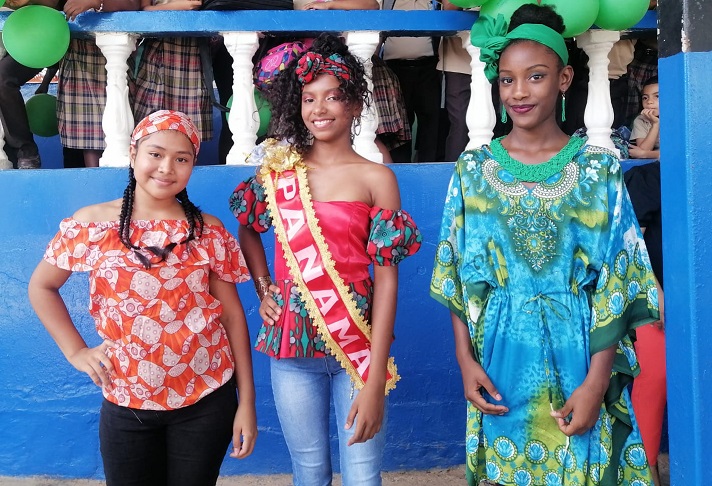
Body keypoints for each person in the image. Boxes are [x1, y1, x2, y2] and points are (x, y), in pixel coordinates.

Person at [430, 5, 659, 485]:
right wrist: (465, 361)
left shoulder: (598, 172)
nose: (518, 92)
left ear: (564, 78)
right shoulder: (472, 172)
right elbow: (454, 273)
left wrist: (597, 383)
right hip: (500, 353)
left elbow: (619, 282)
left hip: (580, 349)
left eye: (535, 76)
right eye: (507, 80)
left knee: (582, 465)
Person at [229, 34, 422, 485]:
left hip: (359, 348)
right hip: (291, 347)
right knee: (310, 472)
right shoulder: (279, 170)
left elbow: (387, 279)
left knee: (363, 474)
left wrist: (375, 379)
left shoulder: (377, 177)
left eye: (333, 97)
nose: (319, 108)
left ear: (355, 104)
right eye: (309, 98)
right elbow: (247, 228)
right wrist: (264, 289)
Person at [28, 110, 257, 486]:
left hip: (207, 401)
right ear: (133, 154)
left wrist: (246, 401)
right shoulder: (93, 225)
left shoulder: (207, 231)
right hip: (125, 402)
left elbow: (232, 318)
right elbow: (41, 287)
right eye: (155, 153)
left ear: (192, 165)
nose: (167, 167)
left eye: (182, 159)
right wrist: (76, 351)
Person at [59, 0, 141, 167]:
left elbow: (133, 4)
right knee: (80, 140)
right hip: (75, 54)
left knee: (112, 128)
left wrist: (96, 2)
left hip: (108, 53)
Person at [625, 161, 666, 486]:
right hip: (659, 305)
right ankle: (646, 470)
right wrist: (653, 290)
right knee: (653, 380)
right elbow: (628, 238)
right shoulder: (652, 178)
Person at [629, 76, 659, 160]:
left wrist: (647, 154)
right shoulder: (640, 120)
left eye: (657, 96)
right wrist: (655, 124)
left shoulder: (678, 118)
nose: (649, 101)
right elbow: (643, 151)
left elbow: (677, 154)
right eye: (645, 98)